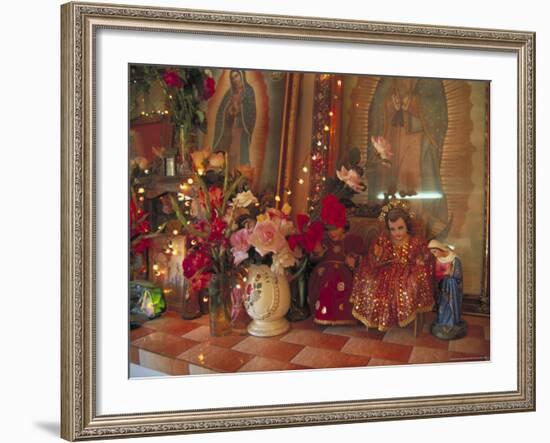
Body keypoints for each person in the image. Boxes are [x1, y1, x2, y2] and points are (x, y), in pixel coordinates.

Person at [351, 201, 434, 331]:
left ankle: (401, 315)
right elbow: (373, 259)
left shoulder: (416, 241)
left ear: (407, 225)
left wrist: (420, 260)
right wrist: (378, 255)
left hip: (408, 272)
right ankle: (373, 317)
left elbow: (426, 256)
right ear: (388, 228)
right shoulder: (384, 239)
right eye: (393, 229)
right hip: (385, 270)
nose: (397, 233)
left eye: (400, 228)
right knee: (372, 282)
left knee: (404, 285)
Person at [308, 195, 363, 326]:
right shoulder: (324, 240)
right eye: (328, 229)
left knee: (339, 280)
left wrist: (353, 261)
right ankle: (323, 312)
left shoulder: (353, 240)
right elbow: (315, 259)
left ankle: (342, 315)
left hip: (344, 272)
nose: (332, 233)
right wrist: (318, 252)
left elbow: (359, 257)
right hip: (323, 271)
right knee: (326, 279)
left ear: (344, 225)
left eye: (336, 228)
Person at [213, 70, 256, 168]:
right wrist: (229, 112)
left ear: (242, 76)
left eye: (236, 76)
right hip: (230, 129)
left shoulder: (249, 91)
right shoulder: (229, 93)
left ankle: (242, 178)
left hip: (242, 129)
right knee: (230, 155)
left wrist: (241, 109)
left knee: (241, 155)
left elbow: (251, 110)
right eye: (232, 77)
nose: (235, 79)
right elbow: (222, 112)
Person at [428, 239, 467, 340]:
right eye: (432, 253)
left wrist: (449, 273)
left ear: (440, 249)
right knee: (443, 303)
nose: (435, 255)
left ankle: (452, 322)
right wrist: (445, 273)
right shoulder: (438, 260)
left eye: (435, 252)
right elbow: (437, 273)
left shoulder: (454, 259)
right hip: (443, 285)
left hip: (453, 286)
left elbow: (458, 275)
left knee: (451, 303)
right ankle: (443, 322)